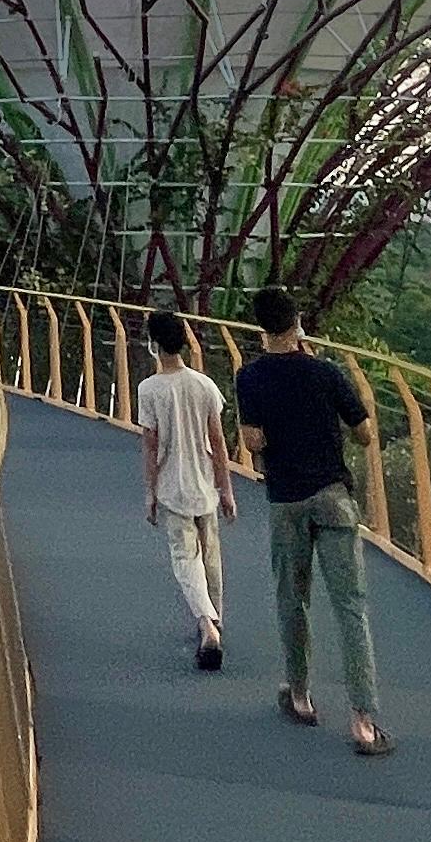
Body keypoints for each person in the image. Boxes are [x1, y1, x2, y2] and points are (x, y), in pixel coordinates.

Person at [231, 281, 391, 755]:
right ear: (297, 322)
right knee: (351, 607)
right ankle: (363, 722)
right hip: (333, 496)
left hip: (286, 500)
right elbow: (364, 433)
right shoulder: (325, 372)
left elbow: (253, 442)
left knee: (292, 599)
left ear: (262, 327)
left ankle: (300, 697)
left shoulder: (251, 378)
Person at [133, 307, 237, 669]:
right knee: (211, 556)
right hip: (205, 482)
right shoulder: (204, 385)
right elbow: (218, 441)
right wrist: (227, 489)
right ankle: (217, 618)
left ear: (154, 345)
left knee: (184, 557)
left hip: (172, 486)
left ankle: (206, 624)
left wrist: (149, 493)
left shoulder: (150, 390)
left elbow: (150, 444)